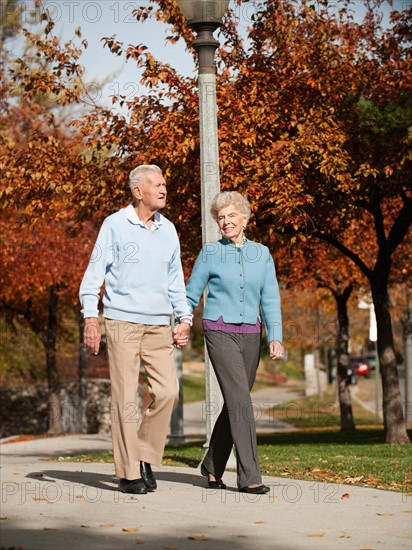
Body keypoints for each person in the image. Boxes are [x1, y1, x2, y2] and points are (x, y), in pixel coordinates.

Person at [79, 164, 192, 495]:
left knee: (168, 391)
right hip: (121, 321)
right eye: (156, 185)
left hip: (159, 324)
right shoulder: (114, 225)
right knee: (127, 398)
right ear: (137, 191)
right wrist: (90, 317)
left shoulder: (169, 230)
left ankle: (143, 453)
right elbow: (93, 274)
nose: (163, 189)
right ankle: (128, 473)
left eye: (164, 184)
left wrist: (184, 318)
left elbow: (175, 281)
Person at [185, 191, 283, 494]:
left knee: (235, 401)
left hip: (252, 333)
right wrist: (182, 321)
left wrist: (276, 335)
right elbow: (190, 292)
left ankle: (212, 466)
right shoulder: (210, 253)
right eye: (221, 217)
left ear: (244, 218)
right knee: (242, 402)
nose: (225, 222)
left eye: (231, 216)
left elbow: (270, 298)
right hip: (219, 330)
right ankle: (250, 476)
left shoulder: (262, 253)